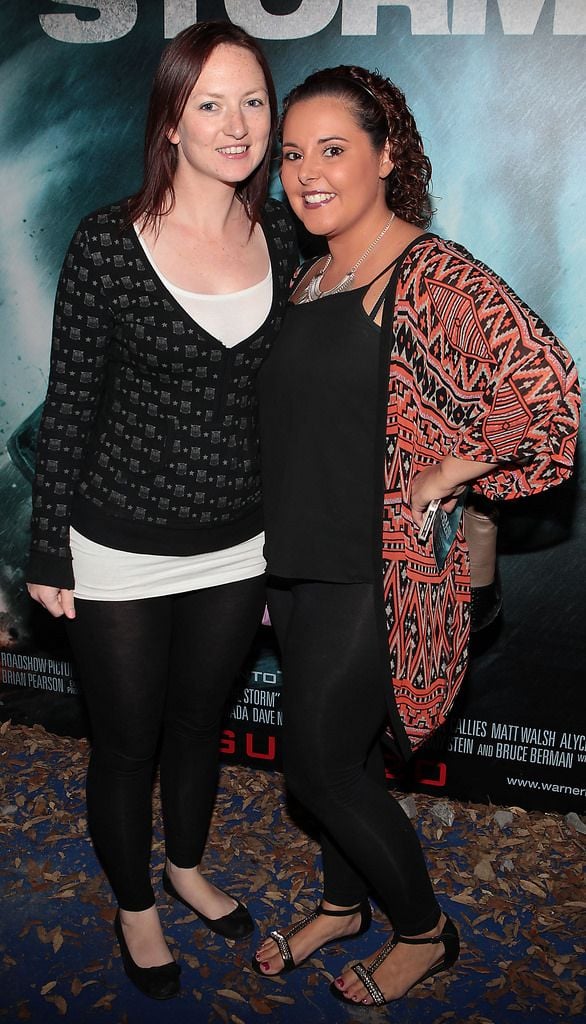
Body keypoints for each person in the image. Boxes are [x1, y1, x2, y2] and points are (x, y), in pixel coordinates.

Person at [253, 66, 580, 1008]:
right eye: (293, 155)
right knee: (342, 753)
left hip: (381, 569)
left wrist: (449, 472)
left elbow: (552, 394)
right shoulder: (311, 273)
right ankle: (341, 906)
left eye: (334, 149)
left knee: (315, 766)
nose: (308, 173)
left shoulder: (430, 274)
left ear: (388, 156)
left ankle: (426, 930)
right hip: (298, 560)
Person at [26, 22, 296, 1000]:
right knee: (128, 738)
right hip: (119, 546)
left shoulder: (280, 239)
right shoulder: (108, 241)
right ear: (170, 121)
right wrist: (47, 545)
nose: (236, 123)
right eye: (210, 103)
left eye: (254, 101)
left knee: (197, 726)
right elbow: (69, 409)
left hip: (238, 545)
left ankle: (186, 865)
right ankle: (135, 902)